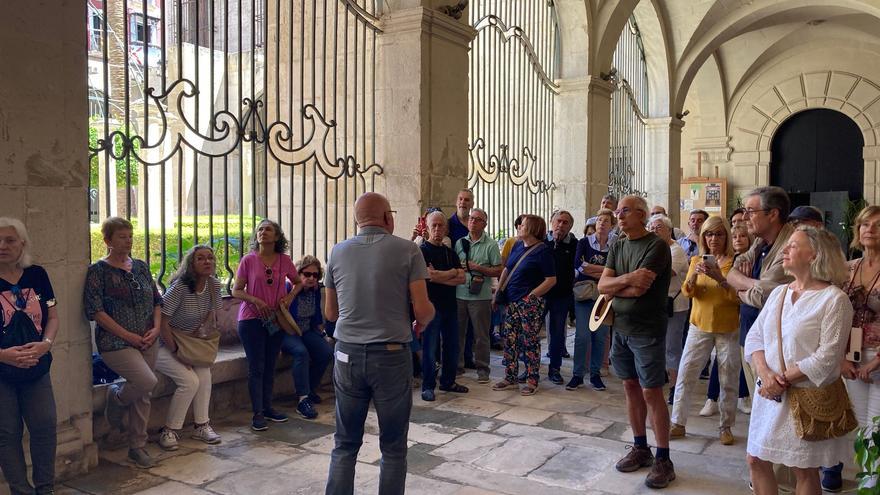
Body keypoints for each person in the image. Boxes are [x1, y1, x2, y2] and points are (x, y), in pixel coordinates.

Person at [324, 192, 434, 495]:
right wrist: (422, 321)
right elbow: (422, 309)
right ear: (388, 217)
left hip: (346, 352)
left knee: (344, 443)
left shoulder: (338, 251)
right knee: (394, 446)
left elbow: (330, 313)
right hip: (391, 354)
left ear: (356, 220)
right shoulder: (408, 250)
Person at [745, 226, 854, 494]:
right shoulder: (780, 293)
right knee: (756, 460)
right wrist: (766, 375)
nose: (784, 249)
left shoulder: (834, 300)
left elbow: (828, 357)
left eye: (793, 245)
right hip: (769, 394)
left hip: (802, 398)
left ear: (814, 254)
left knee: (802, 469)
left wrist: (781, 379)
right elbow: (754, 337)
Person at [598, 195, 674, 489]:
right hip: (621, 328)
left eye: (625, 211)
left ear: (642, 215)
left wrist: (616, 287)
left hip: (647, 329)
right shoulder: (618, 245)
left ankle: (664, 459)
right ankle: (641, 447)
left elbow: (641, 289)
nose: (618, 215)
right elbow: (603, 286)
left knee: (651, 390)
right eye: (617, 211)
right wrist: (624, 282)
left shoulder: (656, 246)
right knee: (629, 386)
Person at [84, 217, 162, 469]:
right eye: (121, 236)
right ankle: (116, 399)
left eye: (130, 236)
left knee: (143, 394)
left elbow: (157, 300)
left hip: (148, 338)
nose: (128, 240)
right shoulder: (98, 271)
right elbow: (96, 311)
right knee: (146, 381)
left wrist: (157, 328)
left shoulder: (139, 266)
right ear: (107, 240)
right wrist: (128, 336)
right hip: (116, 343)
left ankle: (137, 447)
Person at [669, 217, 741, 445]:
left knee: (728, 378)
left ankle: (725, 426)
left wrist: (720, 278)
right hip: (699, 326)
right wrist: (692, 276)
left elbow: (739, 298)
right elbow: (688, 292)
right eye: (709, 235)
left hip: (727, 328)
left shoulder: (736, 262)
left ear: (726, 237)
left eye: (719, 234)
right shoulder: (697, 260)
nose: (714, 239)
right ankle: (678, 422)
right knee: (687, 372)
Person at [0, 218, 58, 495]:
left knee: (45, 427)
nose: (2, 246)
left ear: (22, 243)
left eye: (9, 240)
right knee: (7, 434)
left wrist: (45, 343)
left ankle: (45, 489)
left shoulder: (37, 275)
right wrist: (3, 355)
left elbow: (53, 314)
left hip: (36, 367)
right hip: (1, 372)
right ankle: (20, 492)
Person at [726, 186, 795, 415]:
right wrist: (753, 282)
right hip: (751, 335)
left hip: (774, 343)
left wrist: (741, 287)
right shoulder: (760, 242)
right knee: (759, 406)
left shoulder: (788, 247)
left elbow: (764, 296)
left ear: (772, 214)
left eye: (751, 211)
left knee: (772, 408)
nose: (745, 218)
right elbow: (731, 272)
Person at [231, 219, 301, 431]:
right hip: (251, 319)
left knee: (271, 364)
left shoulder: (284, 260)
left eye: (268, 229)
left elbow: (297, 283)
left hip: (276, 319)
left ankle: (268, 407)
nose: (263, 233)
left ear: (277, 236)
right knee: (257, 366)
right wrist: (256, 300)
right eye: (260, 230)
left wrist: (289, 298)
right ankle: (257, 412)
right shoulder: (248, 260)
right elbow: (236, 290)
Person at [155, 245, 223, 450]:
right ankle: (169, 431)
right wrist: (176, 352)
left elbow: (213, 316)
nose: (207, 262)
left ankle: (202, 426)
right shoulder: (181, 287)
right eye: (201, 258)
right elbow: (161, 322)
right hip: (164, 344)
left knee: (204, 375)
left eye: (210, 258)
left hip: (191, 343)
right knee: (189, 381)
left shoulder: (214, 285)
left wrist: (201, 340)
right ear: (191, 264)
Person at [834, 205, 880, 491]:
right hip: (853, 356)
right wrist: (841, 357)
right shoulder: (848, 269)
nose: (870, 229)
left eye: (877, 225)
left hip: (877, 357)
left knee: (877, 428)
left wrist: (875, 363)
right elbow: (837, 315)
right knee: (862, 427)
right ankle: (868, 482)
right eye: (864, 224)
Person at [491, 215, 556, 396]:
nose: (519, 226)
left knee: (530, 341)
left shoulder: (543, 251)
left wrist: (532, 295)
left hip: (529, 304)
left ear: (533, 228)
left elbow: (551, 280)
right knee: (510, 339)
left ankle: (532, 379)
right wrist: (498, 292)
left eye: (524, 225)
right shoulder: (517, 245)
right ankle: (510, 377)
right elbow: (507, 269)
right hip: (512, 301)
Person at [701, 223, 753, 417]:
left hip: (746, 312)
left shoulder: (749, 260)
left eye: (743, 236)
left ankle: (743, 396)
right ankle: (712, 398)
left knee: (741, 358)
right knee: (721, 361)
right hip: (729, 315)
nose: (738, 240)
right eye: (735, 236)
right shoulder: (727, 261)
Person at [419, 212, 467, 401]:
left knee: (452, 346)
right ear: (427, 228)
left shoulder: (450, 253)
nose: (438, 229)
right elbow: (428, 277)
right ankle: (428, 386)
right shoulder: (422, 251)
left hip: (450, 306)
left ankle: (448, 381)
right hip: (432, 307)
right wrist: (452, 273)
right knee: (430, 348)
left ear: (446, 228)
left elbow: (461, 278)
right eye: (434, 226)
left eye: (441, 226)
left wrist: (441, 275)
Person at [279, 255, 333, 419]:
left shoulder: (315, 290)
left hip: (307, 330)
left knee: (326, 352)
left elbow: (316, 312)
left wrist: (321, 331)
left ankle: (310, 389)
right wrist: (296, 290)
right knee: (301, 353)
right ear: (298, 273)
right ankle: (303, 399)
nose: (311, 278)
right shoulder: (288, 288)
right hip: (288, 331)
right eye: (306, 274)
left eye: (315, 275)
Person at [568, 208, 614, 391]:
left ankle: (595, 374)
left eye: (606, 221)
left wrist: (592, 268)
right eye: (600, 220)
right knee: (582, 335)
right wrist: (604, 270)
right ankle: (578, 375)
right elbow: (579, 265)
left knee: (601, 336)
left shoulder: (615, 245)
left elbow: (616, 268)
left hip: (605, 296)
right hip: (584, 293)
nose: (602, 223)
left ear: (612, 225)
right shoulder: (583, 242)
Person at [455, 207, 502, 383]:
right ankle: (458, 367)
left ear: (484, 224)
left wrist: (478, 268)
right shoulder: (460, 243)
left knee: (481, 336)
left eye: (477, 219)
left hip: (480, 297)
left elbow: (499, 269)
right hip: (460, 294)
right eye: (471, 219)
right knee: (458, 334)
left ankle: (483, 370)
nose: (473, 222)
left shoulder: (490, 245)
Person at [647, 214, 688, 405]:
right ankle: (662, 377)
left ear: (669, 230)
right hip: (656, 304)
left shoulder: (676, 250)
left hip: (674, 305)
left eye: (659, 228)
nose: (654, 231)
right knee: (658, 344)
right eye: (652, 228)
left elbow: (665, 273)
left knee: (672, 347)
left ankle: (675, 387)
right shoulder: (652, 249)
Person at [545, 210, 577, 385]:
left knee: (557, 333)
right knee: (532, 331)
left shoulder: (574, 244)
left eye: (565, 223)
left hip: (562, 296)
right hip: (542, 295)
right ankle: (530, 367)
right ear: (551, 222)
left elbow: (579, 267)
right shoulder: (542, 242)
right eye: (558, 221)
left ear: (570, 226)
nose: (561, 225)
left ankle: (555, 369)